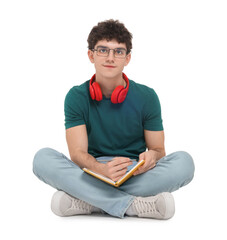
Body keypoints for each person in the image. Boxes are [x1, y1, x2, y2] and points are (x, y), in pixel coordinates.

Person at [33, 19, 195, 220]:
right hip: (92, 172)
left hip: (134, 173)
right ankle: (131, 206)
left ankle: (89, 201)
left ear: (127, 58)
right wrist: (101, 169)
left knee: (184, 163)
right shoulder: (75, 96)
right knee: (42, 159)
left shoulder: (147, 96)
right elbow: (77, 154)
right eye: (103, 50)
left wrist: (150, 158)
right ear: (91, 55)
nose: (110, 57)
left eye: (118, 51)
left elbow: (159, 151)